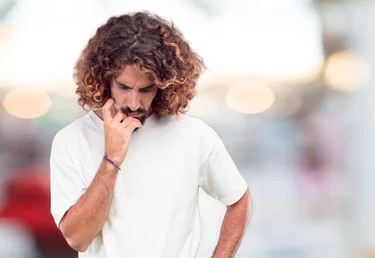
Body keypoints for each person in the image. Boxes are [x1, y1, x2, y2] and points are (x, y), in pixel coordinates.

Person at [49, 12, 252, 258]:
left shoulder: (193, 135)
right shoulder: (70, 140)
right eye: (124, 87)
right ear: (104, 79)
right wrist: (112, 159)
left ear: (164, 85)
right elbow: (77, 239)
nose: (134, 103)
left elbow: (239, 200)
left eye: (145, 89)